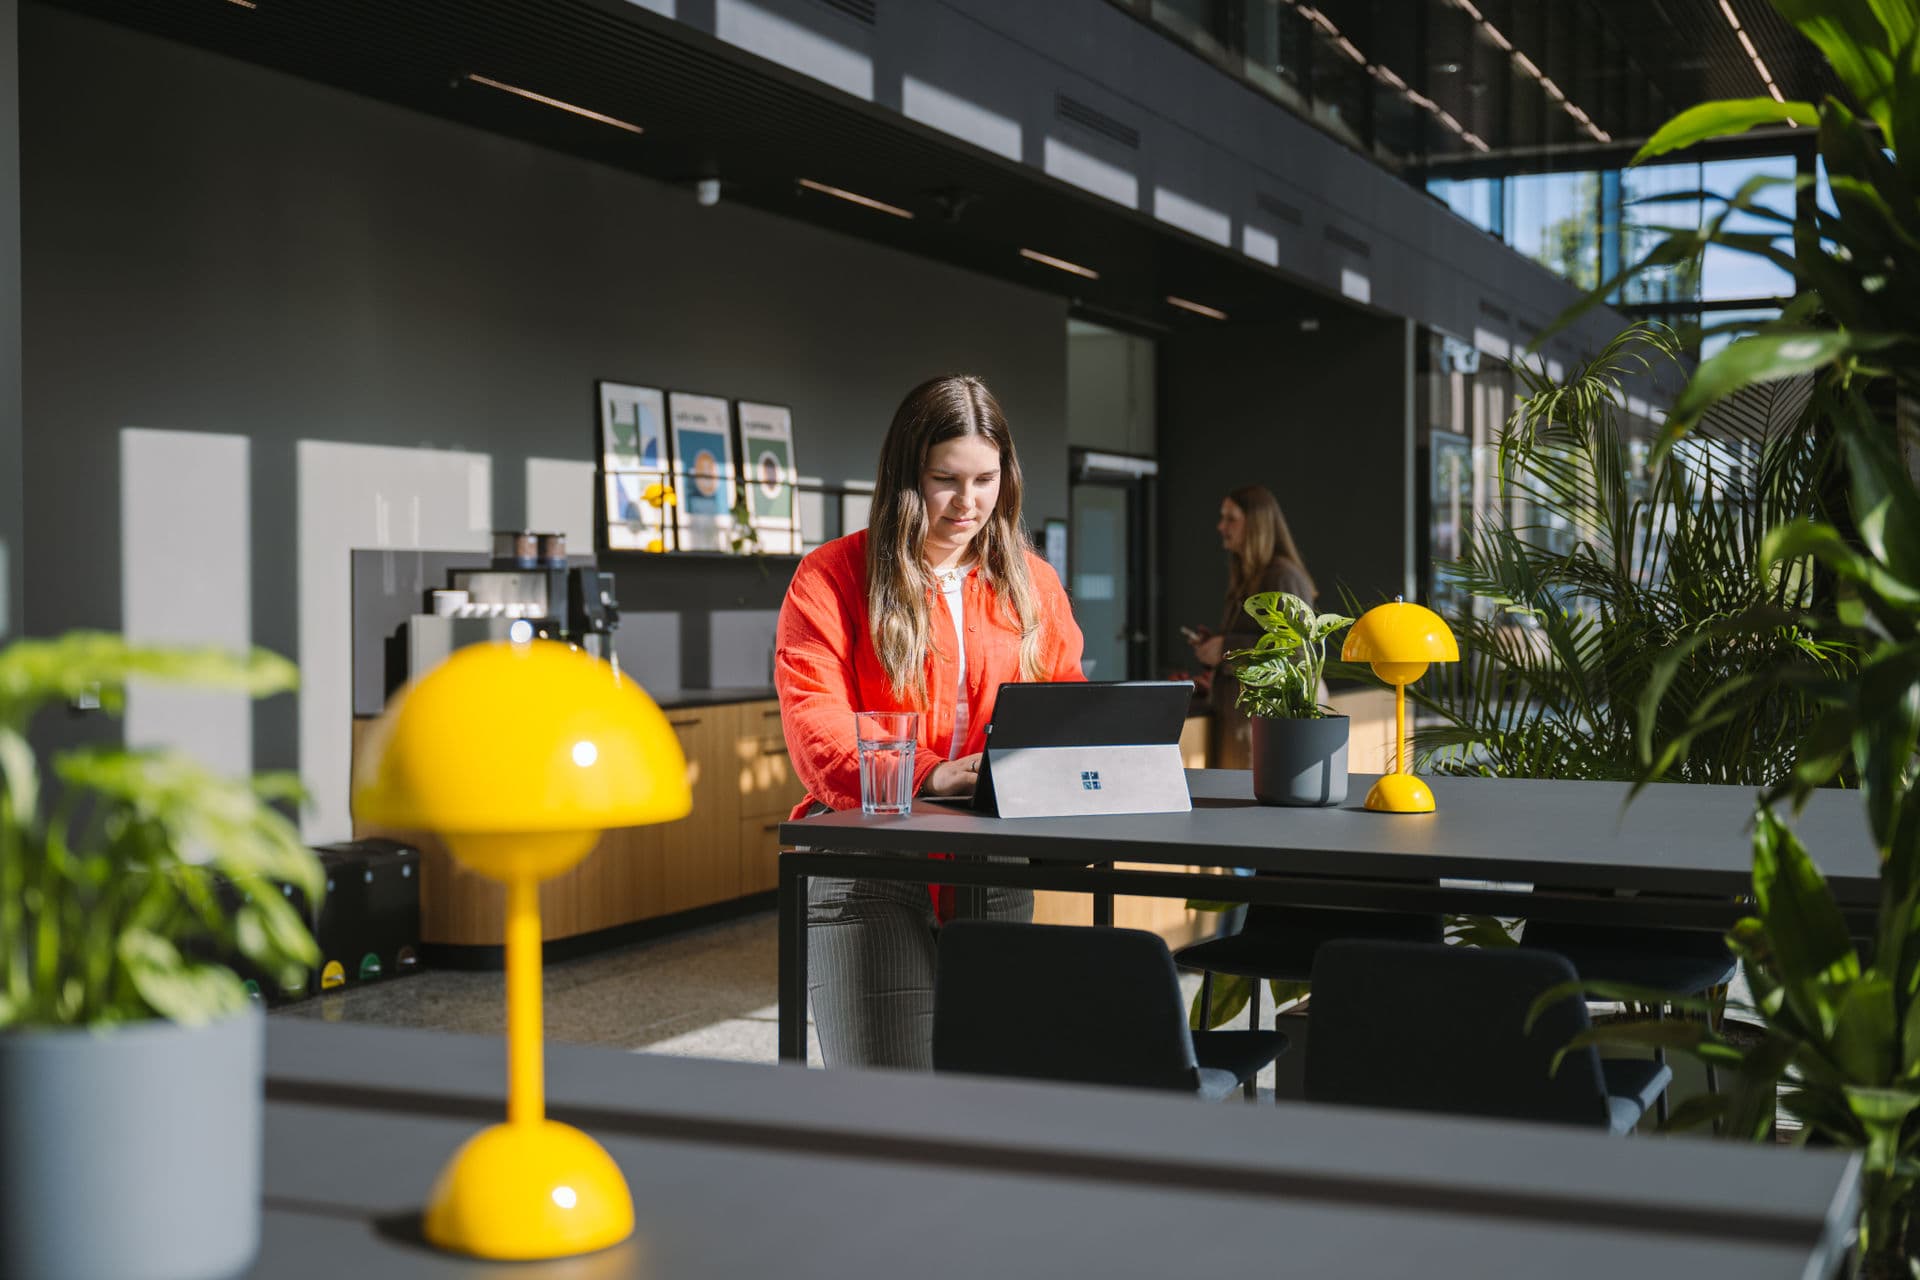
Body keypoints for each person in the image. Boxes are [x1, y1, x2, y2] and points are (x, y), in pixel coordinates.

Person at [775, 374, 1086, 1069]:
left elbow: (1063, 703)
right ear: (906, 476)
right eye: (945, 479)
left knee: (992, 1092)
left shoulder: (1033, 583)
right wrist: (933, 773)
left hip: (992, 863)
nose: (967, 502)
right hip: (869, 860)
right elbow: (818, 730)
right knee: (890, 1100)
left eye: (985, 480)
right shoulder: (832, 576)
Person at [1187, 485, 1317, 770]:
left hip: (1263, 726)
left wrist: (1226, 648)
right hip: (1240, 723)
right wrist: (1218, 645)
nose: (1221, 527)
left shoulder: (1282, 576)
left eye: (1231, 518)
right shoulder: (1249, 575)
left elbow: (1298, 653)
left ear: (1257, 524)